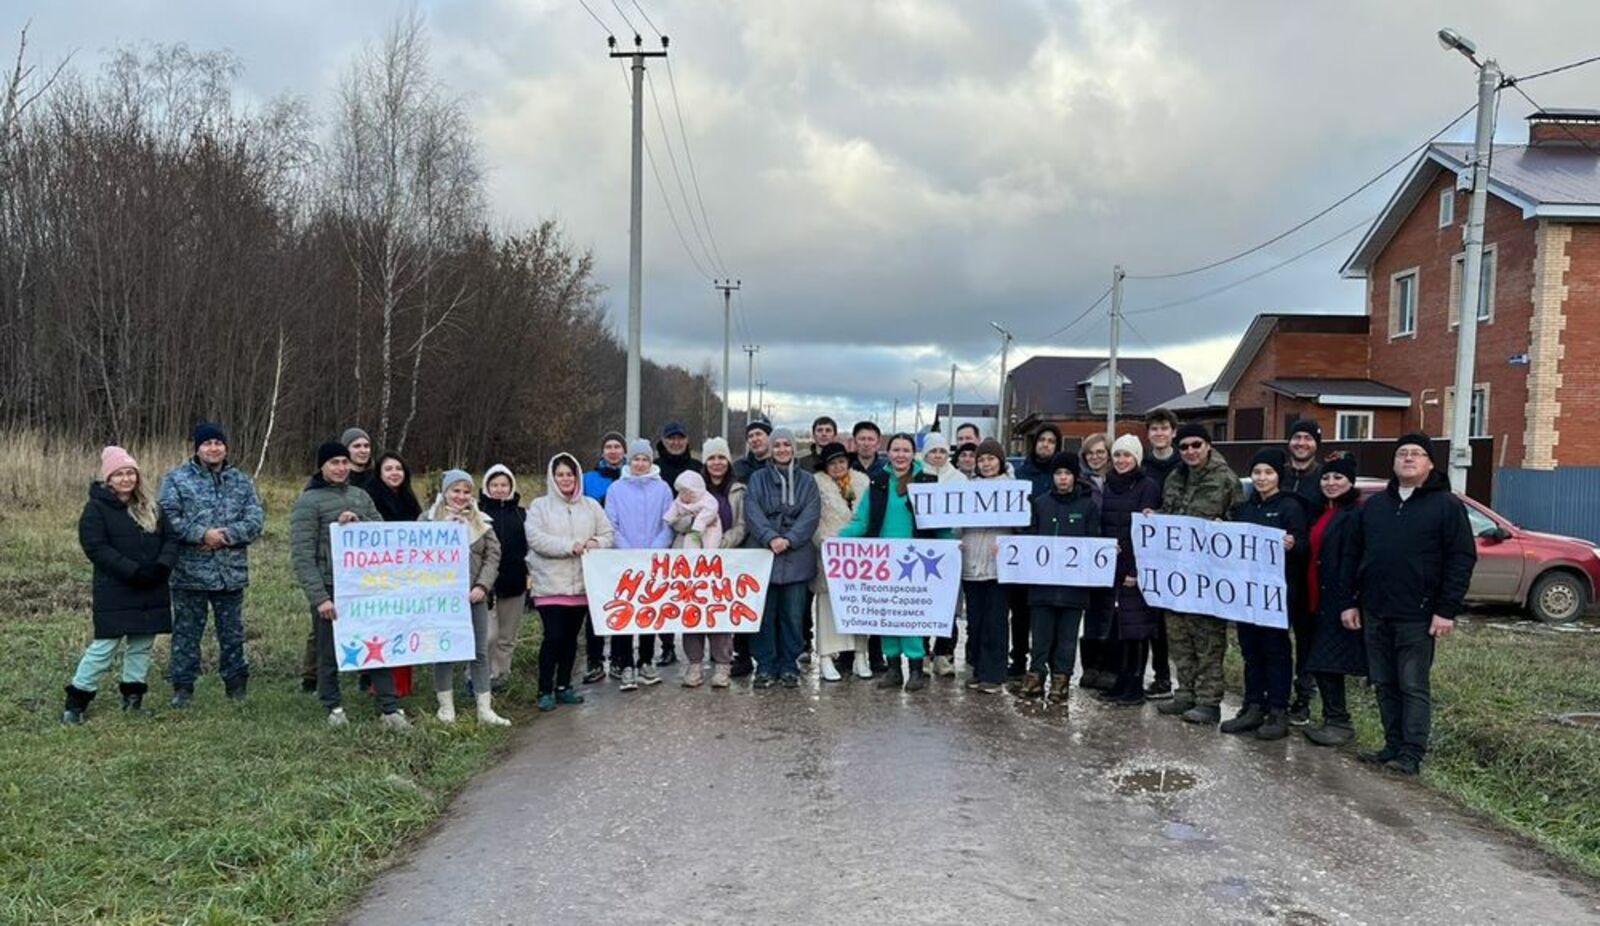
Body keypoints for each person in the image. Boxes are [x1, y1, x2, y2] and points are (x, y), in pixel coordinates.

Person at [1347, 433, 1475, 776]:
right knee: (1383, 682)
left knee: (1412, 684)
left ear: (1430, 463)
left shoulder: (1446, 506)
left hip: (1418, 614)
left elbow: (1461, 559)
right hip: (1376, 610)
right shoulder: (1376, 506)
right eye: (1401, 453)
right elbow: (1357, 555)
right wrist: (1352, 601)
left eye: (1416, 453)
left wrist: (1446, 610)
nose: (1407, 458)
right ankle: (1392, 744)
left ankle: (1411, 753)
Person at [288, 441, 409, 730]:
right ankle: (333, 707)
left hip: (364, 586)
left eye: (344, 462)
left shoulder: (360, 495)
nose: (341, 468)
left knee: (375, 643)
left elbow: (381, 533)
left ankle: (389, 708)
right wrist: (320, 598)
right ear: (322, 466)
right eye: (334, 463)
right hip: (330, 587)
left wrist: (360, 521)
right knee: (328, 650)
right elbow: (302, 555)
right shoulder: (309, 502)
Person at [62, 447, 179, 724]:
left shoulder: (152, 506)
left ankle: (133, 700)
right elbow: (96, 547)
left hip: (152, 585)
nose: (126, 479)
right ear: (108, 479)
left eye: (130, 473)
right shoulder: (95, 509)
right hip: (116, 588)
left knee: (142, 645)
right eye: (119, 474)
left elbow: (171, 540)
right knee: (104, 647)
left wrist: (161, 567)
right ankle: (76, 703)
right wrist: (132, 571)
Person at [159, 422, 265, 707]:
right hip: (189, 572)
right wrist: (201, 534)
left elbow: (255, 520)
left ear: (225, 448)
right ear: (197, 448)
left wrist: (225, 536)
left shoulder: (241, 481)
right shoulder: (177, 480)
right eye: (207, 443)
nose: (213, 448)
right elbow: (167, 518)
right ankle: (183, 688)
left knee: (232, 632)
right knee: (186, 633)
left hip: (230, 572)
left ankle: (236, 685)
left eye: (218, 443)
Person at [838, 433, 947, 692]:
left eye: (905, 450)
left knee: (910, 618)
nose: (900, 455)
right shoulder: (878, 482)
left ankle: (916, 668)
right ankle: (893, 669)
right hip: (884, 559)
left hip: (916, 560)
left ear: (913, 454)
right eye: (896, 450)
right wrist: (838, 540)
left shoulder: (927, 482)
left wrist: (950, 543)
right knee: (887, 616)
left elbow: (940, 522)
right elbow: (862, 520)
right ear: (888, 453)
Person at [1156, 423, 1244, 725]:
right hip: (1177, 575)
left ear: (1208, 446)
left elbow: (1241, 523)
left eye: (1196, 445)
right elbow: (1169, 516)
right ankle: (1185, 693)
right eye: (1184, 447)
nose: (1190, 451)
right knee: (1179, 638)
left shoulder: (1226, 480)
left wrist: (1225, 528)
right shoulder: (1174, 478)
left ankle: (1208, 702)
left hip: (1209, 577)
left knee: (1208, 641)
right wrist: (1154, 519)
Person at [1222, 449, 1308, 740]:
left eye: (1268, 473)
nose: (1261, 478)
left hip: (1277, 594)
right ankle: (1253, 705)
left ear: (1278, 476)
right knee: (1250, 649)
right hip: (1247, 593)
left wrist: (1293, 545)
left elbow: (1304, 546)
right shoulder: (1244, 508)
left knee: (1276, 650)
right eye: (1257, 472)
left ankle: (1278, 709)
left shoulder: (1290, 506)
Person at [524, 453, 613, 712]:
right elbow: (536, 539)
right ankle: (545, 689)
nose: (565, 479)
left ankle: (564, 685)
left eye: (570, 475)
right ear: (552, 477)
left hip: (582, 586)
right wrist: (569, 546)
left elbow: (607, 534)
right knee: (553, 636)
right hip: (550, 585)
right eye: (560, 475)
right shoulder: (540, 506)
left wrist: (595, 543)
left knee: (571, 639)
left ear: (577, 477)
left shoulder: (591, 506)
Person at [421, 470, 510, 726]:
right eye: (455, 491)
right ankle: (446, 708)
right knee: (444, 650)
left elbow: (493, 554)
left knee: (479, 651)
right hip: (442, 600)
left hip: (474, 597)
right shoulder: (428, 520)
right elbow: (416, 555)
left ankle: (485, 709)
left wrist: (482, 585)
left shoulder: (481, 521)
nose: (461, 496)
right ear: (445, 492)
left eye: (466, 491)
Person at [1019, 452, 1103, 702]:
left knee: (1067, 637)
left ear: (1075, 476)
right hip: (1042, 586)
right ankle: (1036, 675)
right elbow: (1029, 539)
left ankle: (1061, 679)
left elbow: (1094, 541)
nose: (1063, 478)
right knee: (1040, 635)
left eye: (1067, 473)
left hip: (1073, 588)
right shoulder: (1040, 503)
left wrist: (1106, 553)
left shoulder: (1087, 506)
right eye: (1058, 473)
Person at [745, 427, 822, 688]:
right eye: (776, 445)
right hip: (764, 553)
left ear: (793, 448)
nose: (781, 449)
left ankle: (789, 664)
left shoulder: (807, 481)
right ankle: (765, 665)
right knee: (764, 615)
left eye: (786, 445)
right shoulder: (757, 479)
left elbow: (811, 514)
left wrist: (789, 539)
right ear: (770, 449)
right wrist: (769, 537)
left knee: (793, 615)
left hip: (796, 555)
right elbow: (752, 510)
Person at [671, 438, 746, 688]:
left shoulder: (738, 490)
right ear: (705, 462)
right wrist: (693, 523)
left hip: (723, 558)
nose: (717, 463)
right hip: (692, 559)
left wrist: (724, 542)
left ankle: (722, 665)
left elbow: (742, 524)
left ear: (728, 461)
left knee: (719, 612)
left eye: (721, 458)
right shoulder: (690, 487)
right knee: (692, 610)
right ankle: (694, 664)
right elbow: (676, 520)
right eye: (712, 458)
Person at [1303, 455, 1367, 747]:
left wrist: (1349, 599)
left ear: (1350, 482)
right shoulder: (1323, 512)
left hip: (1337, 599)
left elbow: (1354, 559)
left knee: (1328, 661)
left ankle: (1339, 722)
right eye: (1326, 477)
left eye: (1338, 477)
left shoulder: (1354, 514)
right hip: (1316, 597)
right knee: (1320, 661)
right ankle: (1332, 718)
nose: (1330, 483)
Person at [1099, 434, 1164, 706]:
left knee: (1137, 628)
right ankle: (1121, 679)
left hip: (1134, 569)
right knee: (1118, 627)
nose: (1121, 460)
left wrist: (1137, 570)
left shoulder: (1147, 486)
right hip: (1112, 566)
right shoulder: (1108, 485)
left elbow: (1148, 531)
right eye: (1117, 455)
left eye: (1127, 455)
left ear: (1136, 458)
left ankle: (1135, 684)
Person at [605, 440, 675, 690]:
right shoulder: (616, 489)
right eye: (636, 459)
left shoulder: (663, 488)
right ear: (629, 461)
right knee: (626, 610)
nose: (640, 464)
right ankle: (625, 664)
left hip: (653, 560)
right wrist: (628, 551)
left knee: (649, 610)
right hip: (625, 560)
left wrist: (654, 550)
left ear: (650, 461)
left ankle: (646, 660)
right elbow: (610, 524)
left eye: (645, 459)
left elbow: (668, 523)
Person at [811, 441, 874, 682]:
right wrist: (824, 541)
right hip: (829, 552)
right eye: (832, 463)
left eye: (841, 461)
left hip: (858, 556)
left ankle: (860, 655)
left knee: (858, 606)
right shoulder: (816, 485)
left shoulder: (863, 483)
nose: (838, 466)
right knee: (827, 606)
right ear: (825, 467)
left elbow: (870, 515)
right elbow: (813, 518)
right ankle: (826, 657)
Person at [1008, 425, 1062, 677]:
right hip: (1024, 547)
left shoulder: (1061, 474)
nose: (1046, 444)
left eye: (1051, 441)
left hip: (1053, 550)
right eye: (1042, 440)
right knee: (1019, 610)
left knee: (1046, 611)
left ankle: (1044, 661)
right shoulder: (1020, 474)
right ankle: (1018, 658)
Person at [959, 439, 1012, 694]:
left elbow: (1022, 526)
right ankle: (979, 670)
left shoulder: (1013, 489)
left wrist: (1009, 545)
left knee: (996, 622)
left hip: (999, 567)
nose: (986, 464)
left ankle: (995, 674)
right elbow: (955, 523)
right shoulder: (966, 490)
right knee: (976, 623)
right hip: (971, 564)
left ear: (1000, 461)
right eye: (981, 460)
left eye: (991, 459)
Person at [1282, 418, 1325, 724]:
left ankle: (1303, 698)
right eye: (1297, 437)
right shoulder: (1278, 475)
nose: (1301, 443)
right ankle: (1276, 693)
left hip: (1309, 572)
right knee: (1275, 636)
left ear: (1316, 444)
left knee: (1307, 638)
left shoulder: (1324, 478)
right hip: (1275, 572)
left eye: (1307, 438)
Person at [1139, 409, 1181, 699]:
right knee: (1149, 617)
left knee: (1175, 621)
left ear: (1173, 432)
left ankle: (1179, 682)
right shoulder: (1142, 465)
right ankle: (1158, 676)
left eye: (1164, 428)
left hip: (1179, 552)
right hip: (1149, 551)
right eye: (1154, 429)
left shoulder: (1185, 464)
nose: (1159, 433)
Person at [581, 431, 627, 683]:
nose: (613, 451)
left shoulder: (631, 476)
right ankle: (595, 660)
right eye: (608, 446)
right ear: (602, 451)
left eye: (617, 446)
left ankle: (620, 659)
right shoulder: (588, 479)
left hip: (623, 552)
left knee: (623, 605)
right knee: (596, 609)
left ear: (624, 451)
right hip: (597, 551)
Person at [919, 432, 965, 674]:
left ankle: (944, 654)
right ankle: (923, 654)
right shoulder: (917, 477)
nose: (937, 456)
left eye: (942, 451)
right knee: (924, 604)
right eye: (933, 451)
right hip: (924, 549)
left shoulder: (959, 479)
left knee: (949, 606)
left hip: (950, 551)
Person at [481, 464, 529, 691]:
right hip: (484, 584)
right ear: (487, 486)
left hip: (514, 582)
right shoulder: (477, 514)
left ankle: (501, 675)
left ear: (511, 487)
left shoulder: (522, 515)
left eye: (504, 485)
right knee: (486, 636)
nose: (499, 489)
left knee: (507, 636)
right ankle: (478, 676)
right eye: (494, 485)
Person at [1077, 432, 1116, 690]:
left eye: (1100, 452)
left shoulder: (1118, 481)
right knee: (1090, 611)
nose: (1095, 457)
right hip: (1087, 554)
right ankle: (1090, 667)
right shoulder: (1081, 483)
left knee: (1109, 611)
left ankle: (1108, 666)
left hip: (1113, 552)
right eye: (1090, 453)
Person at [368, 452, 423, 522]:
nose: (394, 473)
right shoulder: (371, 498)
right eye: (388, 469)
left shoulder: (408, 497)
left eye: (399, 469)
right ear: (379, 474)